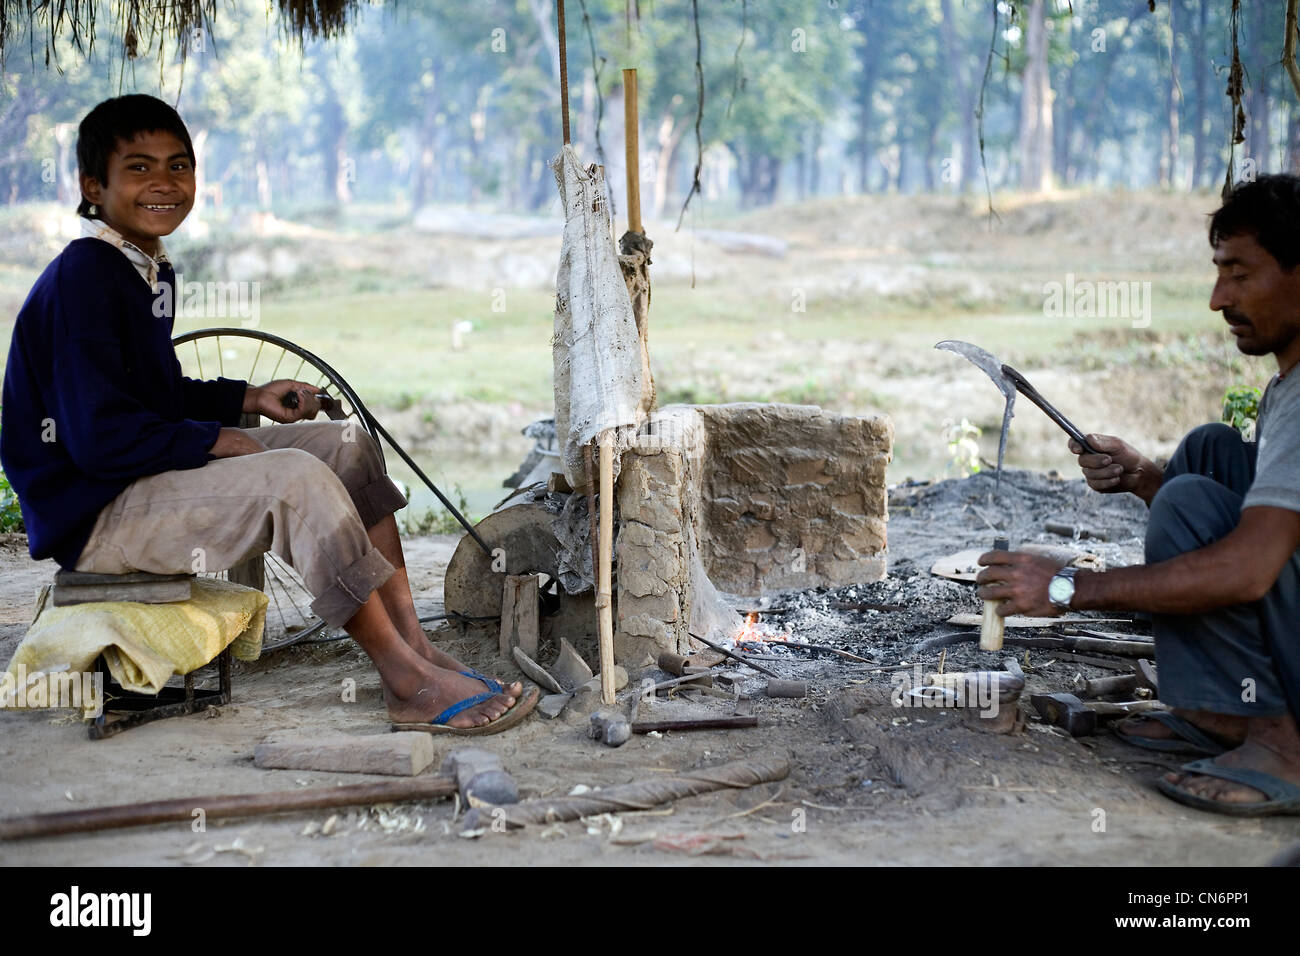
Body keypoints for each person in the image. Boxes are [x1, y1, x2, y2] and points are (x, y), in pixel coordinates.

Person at [1, 94, 532, 733]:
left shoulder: (145, 269)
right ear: (93, 185)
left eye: (179, 165)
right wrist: (220, 439)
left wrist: (247, 400)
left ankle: (417, 647)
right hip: (99, 516)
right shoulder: (85, 276)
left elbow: (154, 396)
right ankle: (405, 680)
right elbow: (96, 439)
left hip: (138, 483)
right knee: (292, 476)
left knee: (343, 446)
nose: (164, 183)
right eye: (139, 168)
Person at [976, 174, 1300, 815]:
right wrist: (1144, 480)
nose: (1216, 298)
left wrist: (1066, 588)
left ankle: (1280, 744)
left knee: (1188, 501)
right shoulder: (1284, 387)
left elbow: (1250, 567)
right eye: (1218, 273)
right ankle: (1219, 712)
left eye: (1239, 274)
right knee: (1204, 455)